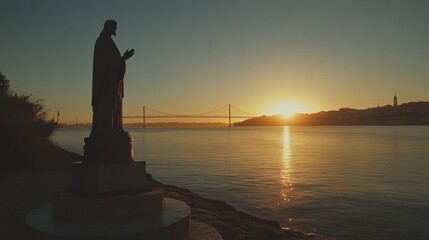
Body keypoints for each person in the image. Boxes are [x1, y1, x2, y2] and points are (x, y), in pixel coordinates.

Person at [91, 20, 134, 136]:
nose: (115, 30)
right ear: (109, 28)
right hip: (106, 84)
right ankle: (109, 131)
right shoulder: (102, 42)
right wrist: (123, 58)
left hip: (112, 82)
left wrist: (123, 59)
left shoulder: (108, 42)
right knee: (109, 106)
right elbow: (105, 64)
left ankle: (116, 129)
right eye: (114, 28)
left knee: (114, 105)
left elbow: (112, 61)